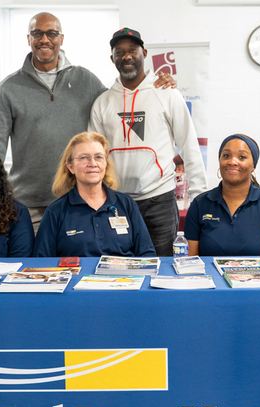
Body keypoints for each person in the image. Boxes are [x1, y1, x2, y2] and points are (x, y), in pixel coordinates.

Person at [0, 13, 175, 231]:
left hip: (78, 201)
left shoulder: (85, 80)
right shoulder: (9, 88)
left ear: (61, 39)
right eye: (37, 33)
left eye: (52, 33)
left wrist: (156, 84)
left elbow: (119, 104)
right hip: (29, 204)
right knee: (34, 264)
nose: (44, 39)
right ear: (28, 39)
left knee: (78, 263)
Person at [88, 27, 207, 256]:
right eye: (119, 52)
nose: (126, 56)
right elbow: (95, 155)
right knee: (118, 268)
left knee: (160, 266)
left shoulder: (167, 93)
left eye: (132, 50)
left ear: (144, 52)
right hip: (116, 201)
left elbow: (189, 145)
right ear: (111, 58)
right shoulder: (102, 102)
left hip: (159, 200)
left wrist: (200, 197)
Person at [34, 132, 155, 258]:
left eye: (98, 157)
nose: (93, 163)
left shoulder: (126, 204)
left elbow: (146, 253)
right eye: (83, 158)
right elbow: (42, 261)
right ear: (71, 167)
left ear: (105, 163)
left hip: (124, 277)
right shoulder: (55, 211)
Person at [184, 134, 260, 257]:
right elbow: (190, 262)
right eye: (226, 156)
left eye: (242, 157)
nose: (232, 162)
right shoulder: (200, 204)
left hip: (259, 276)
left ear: (253, 166)